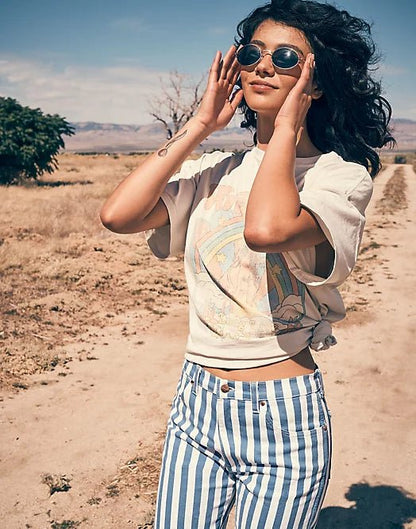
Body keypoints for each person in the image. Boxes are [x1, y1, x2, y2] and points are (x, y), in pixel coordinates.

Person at [100, 0, 393, 526]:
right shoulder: (215, 169)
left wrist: (284, 129)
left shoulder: (337, 178)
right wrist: (198, 126)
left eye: (284, 56)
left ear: (316, 82)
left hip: (283, 413)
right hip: (198, 403)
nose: (261, 65)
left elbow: (267, 230)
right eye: (252, 53)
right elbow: (118, 216)